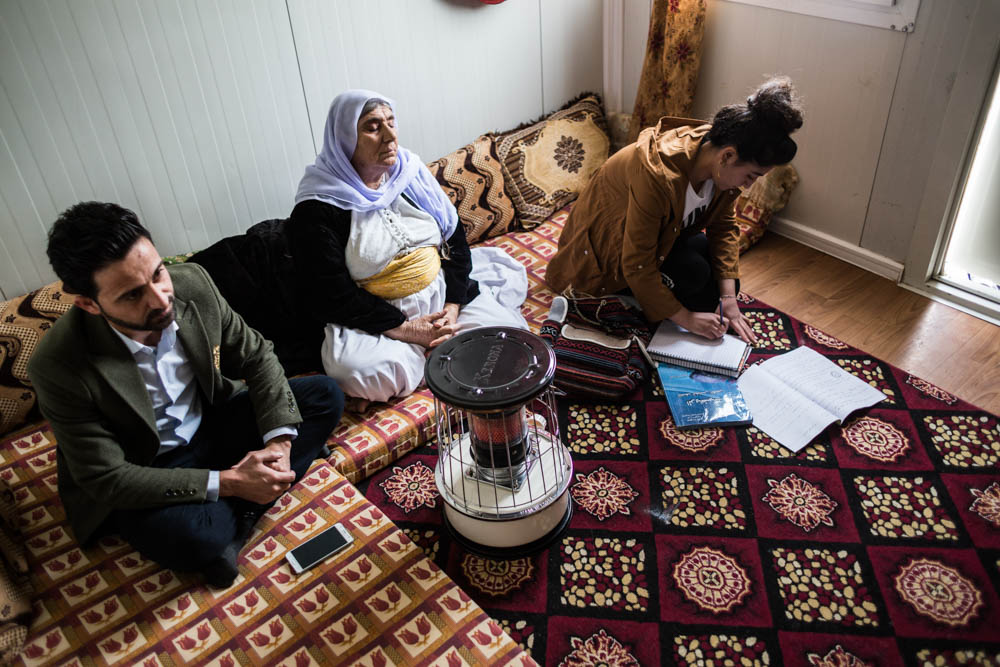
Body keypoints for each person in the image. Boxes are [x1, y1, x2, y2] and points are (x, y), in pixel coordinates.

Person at [27, 202, 345, 588]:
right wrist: (229, 481)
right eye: (132, 295)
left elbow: (257, 355)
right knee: (193, 539)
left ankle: (241, 517)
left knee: (325, 395)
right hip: (146, 464)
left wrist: (278, 444)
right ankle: (238, 513)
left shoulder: (193, 282)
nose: (161, 299)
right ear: (88, 303)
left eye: (158, 273)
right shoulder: (58, 364)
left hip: (212, 421)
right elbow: (107, 477)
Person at [286, 89, 528, 405]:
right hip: (378, 320)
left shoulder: (408, 172)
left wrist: (453, 307)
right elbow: (330, 293)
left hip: (439, 297)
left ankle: (430, 363)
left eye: (391, 122)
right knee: (359, 371)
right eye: (373, 127)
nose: (389, 136)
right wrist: (408, 330)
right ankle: (442, 361)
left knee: (512, 335)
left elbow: (454, 238)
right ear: (345, 139)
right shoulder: (317, 208)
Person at [545, 77, 803, 344]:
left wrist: (728, 300)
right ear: (727, 156)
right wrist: (686, 319)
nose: (748, 186)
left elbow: (724, 229)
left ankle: (684, 303)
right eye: (750, 176)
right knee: (695, 275)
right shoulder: (657, 175)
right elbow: (636, 264)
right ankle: (639, 304)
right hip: (605, 256)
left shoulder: (715, 152)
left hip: (662, 238)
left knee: (724, 283)